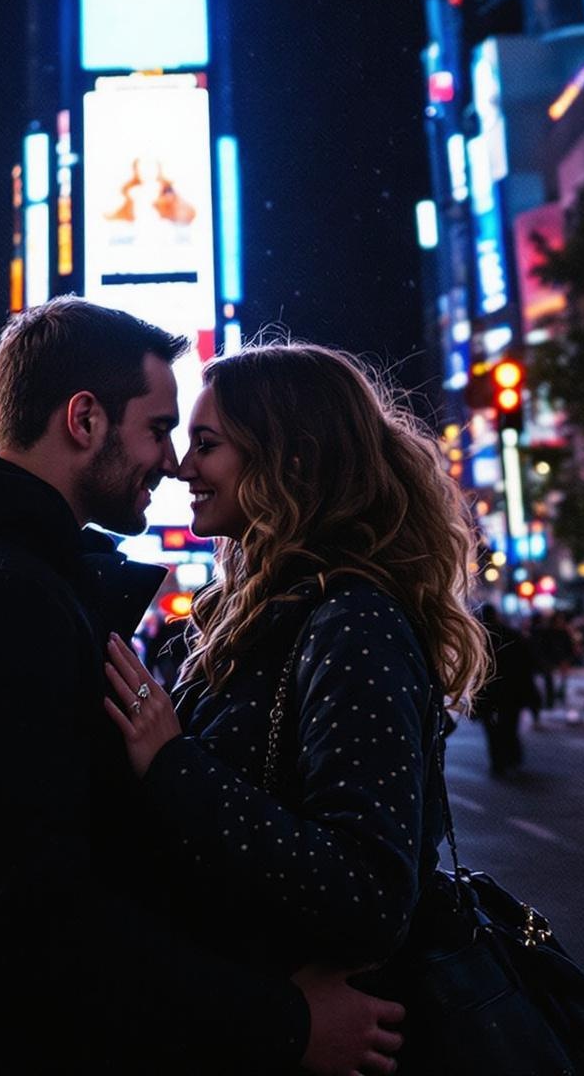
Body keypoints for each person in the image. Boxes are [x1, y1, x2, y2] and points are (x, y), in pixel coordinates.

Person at [0, 298, 399, 1076]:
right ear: (84, 419)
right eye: (159, 429)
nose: (173, 461)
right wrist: (283, 1023)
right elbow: (30, 915)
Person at [97, 341, 495, 1074]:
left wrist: (173, 762)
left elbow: (372, 893)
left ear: (290, 457)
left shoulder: (354, 621)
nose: (184, 468)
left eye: (208, 445)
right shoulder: (267, 612)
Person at [473, 604, 537, 775]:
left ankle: (498, 761)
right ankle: (512, 756)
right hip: (512, 690)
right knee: (509, 725)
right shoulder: (512, 635)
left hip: (489, 691)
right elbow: (527, 664)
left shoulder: (479, 639)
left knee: (491, 730)